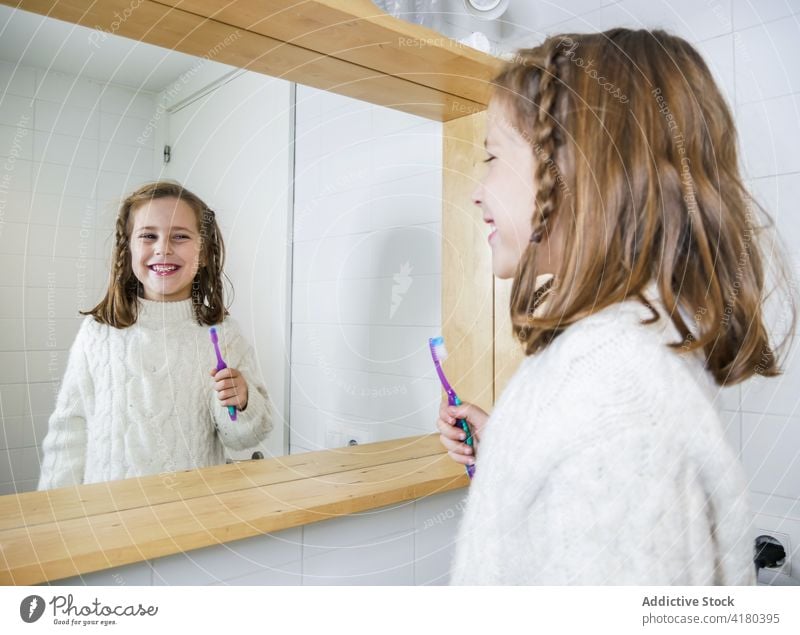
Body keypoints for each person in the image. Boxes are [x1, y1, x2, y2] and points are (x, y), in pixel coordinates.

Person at [437, 28, 795, 584]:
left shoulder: (612, 399)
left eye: (490, 155)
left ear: (577, 169)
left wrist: (573, 438)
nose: (476, 189)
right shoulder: (621, 368)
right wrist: (516, 447)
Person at [38, 181, 272, 489]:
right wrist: (56, 509)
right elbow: (68, 430)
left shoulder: (224, 335)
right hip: (107, 517)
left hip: (193, 514)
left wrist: (241, 403)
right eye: (149, 236)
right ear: (129, 248)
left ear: (203, 253)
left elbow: (244, 438)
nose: (163, 248)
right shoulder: (98, 333)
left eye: (180, 236)